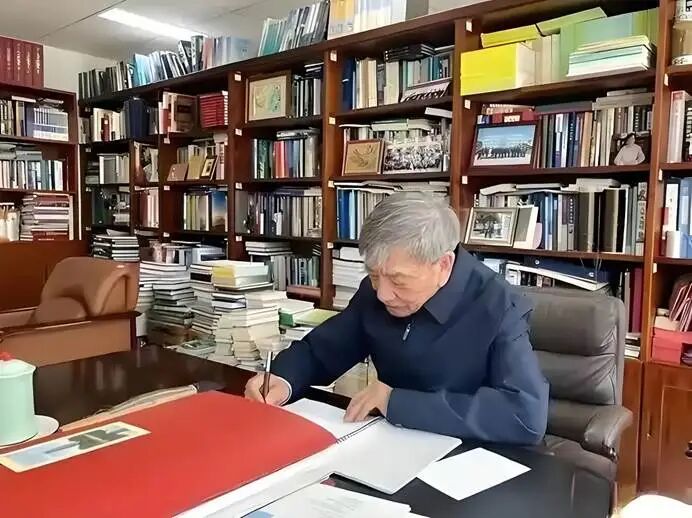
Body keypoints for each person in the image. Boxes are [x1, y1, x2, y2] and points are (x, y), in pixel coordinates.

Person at [245, 193, 549, 445]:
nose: (383, 294)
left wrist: (395, 401)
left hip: (466, 459)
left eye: (399, 280)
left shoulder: (499, 306)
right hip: (386, 443)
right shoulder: (377, 291)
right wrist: (283, 379)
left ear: (443, 265)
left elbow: (524, 415)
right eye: (374, 276)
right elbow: (324, 349)